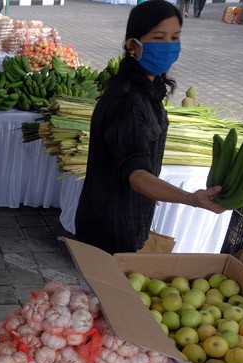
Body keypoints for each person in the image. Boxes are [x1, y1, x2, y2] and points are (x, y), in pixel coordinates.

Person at [74, 0, 224, 255]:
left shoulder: (149, 88)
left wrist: (152, 188)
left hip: (130, 214)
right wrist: (191, 198)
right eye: (158, 37)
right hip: (111, 227)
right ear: (132, 45)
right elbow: (137, 176)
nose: (168, 46)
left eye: (175, 37)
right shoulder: (125, 101)